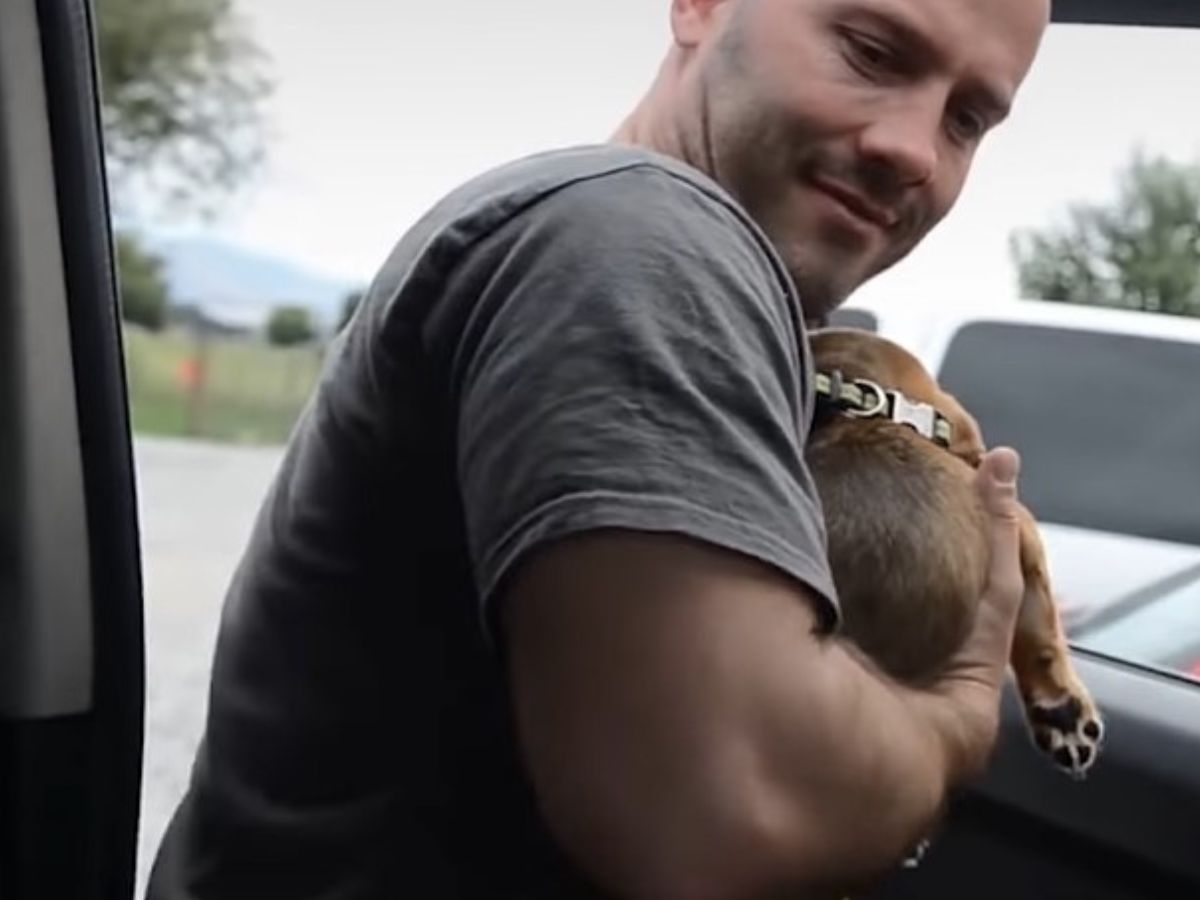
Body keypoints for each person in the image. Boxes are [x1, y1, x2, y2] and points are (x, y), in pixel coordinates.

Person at [146, 0, 1049, 897]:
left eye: (967, 118)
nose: (915, 150)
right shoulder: (638, 243)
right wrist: (963, 706)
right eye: (870, 51)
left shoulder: (643, 251)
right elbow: (728, 817)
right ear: (699, 8)